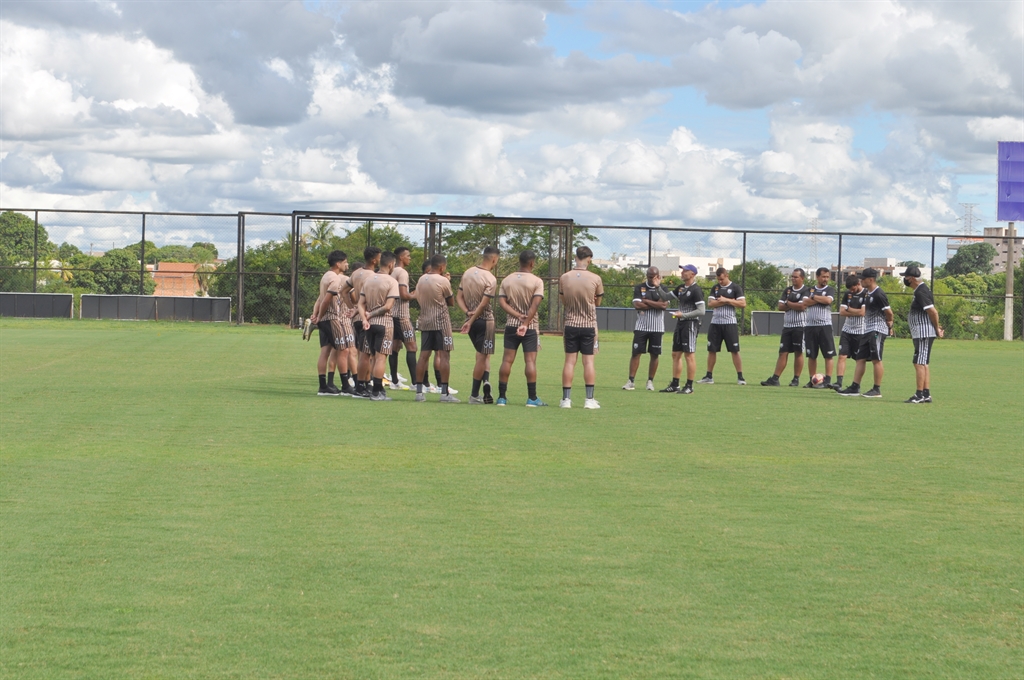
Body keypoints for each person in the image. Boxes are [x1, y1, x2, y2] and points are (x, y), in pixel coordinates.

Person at [497, 250, 546, 406]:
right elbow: (535, 305)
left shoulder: (507, 280)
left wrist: (517, 315)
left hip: (511, 325)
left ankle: (502, 398)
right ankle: (532, 398)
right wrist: (525, 323)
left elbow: (502, 303)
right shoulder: (537, 281)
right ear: (532, 263)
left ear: (519, 261)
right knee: (530, 362)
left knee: (507, 360)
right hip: (530, 327)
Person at [558, 246, 604, 409]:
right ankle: (589, 400)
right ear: (589, 259)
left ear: (576, 257)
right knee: (588, 362)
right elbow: (597, 302)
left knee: (569, 362)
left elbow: (564, 301)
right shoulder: (595, 278)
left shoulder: (565, 277)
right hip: (588, 326)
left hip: (570, 324)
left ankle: (566, 400)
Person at [838, 267, 892, 398]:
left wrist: (890, 323)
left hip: (877, 330)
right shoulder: (868, 293)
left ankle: (876, 389)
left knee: (876, 359)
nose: (861, 281)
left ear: (871, 279)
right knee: (860, 359)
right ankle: (855, 387)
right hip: (867, 330)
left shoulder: (879, 294)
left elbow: (889, 312)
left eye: (863, 279)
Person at [413, 254, 459, 403]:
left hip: (425, 321)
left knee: (423, 356)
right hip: (441, 322)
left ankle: (419, 392)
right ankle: (444, 393)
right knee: (444, 355)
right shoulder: (443, 280)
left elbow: (418, 297)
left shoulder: (422, 279)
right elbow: (451, 301)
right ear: (442, 267)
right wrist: (448, 282)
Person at [457, 246, 499, 404]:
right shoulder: (491, 279)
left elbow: (459, 296)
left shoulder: (467, 272)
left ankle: (486, 381)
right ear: (494, 259)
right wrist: (472, 318)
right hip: (485, 321)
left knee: (482, 353)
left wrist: (467, 313)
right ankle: (474, 395)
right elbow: (483, 305)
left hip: (471, 321)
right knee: (483, 356)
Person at [356, 252, 400, 401]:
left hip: (369, 325)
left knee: (373, 357)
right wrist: (372, 314)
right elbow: (388, 306)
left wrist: (365, 318)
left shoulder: (368, 280)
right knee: (381, 359)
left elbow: (360, 303)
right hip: (384, 324)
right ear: (391, 264)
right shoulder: (391, 281)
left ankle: (378, 389)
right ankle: (376, 392)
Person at [310, 250, 352, 396]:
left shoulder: (326, 276)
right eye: (345, 261)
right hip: (331, 318)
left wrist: (316, 315)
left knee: (326, 351)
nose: (347, 264)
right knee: (344, 350)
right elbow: (326, 299)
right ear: (338, 263)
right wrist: (320, 316)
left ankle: (324, 386)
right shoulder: (334, 278)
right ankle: (346, 385)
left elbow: (319, 299)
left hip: (325, 319)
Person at [902, 265, 944, 403]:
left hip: (923, 332)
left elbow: (933, 311)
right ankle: (926, 394)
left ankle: (919, 394)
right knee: (922, 362)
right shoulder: (920, 290)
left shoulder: (921, 291)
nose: (905, 279)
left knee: (919, 363)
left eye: (906, 277)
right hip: (921, 332)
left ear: (912, 278)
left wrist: (936, 328)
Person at [623, 266, 670, 391]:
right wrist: (656, 303)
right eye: (649, 277)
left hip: (657, 327)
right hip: (641, 326)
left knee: (654, 355)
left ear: (658, 276)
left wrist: (647, 301)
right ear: (647, 276)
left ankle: (650, 381)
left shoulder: (663, 289)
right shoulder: (640, 287)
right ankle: (631, 381)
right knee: (636, 353)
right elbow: (638, 305)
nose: (651, 279)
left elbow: (664, 305)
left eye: (654, 277)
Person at [762, 268, 810, 387]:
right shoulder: (787, 290)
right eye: (792, 277)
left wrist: (788, 303)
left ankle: (796, 379)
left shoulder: (806, 291)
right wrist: (793, 304)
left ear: (802, 278)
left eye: (796, 277)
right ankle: (775, 378)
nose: (793, 279)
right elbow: (780, 306)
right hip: (787, 326)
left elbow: (802, 306)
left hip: (800, 326)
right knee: (783, 352)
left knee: (798, 352)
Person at [698, 267, 746, 385]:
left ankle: (740, 377)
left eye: (722, 279)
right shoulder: (715, 288)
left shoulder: (735, 288)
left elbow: (742, 303)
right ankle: (709, 376)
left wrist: (725, 299)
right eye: (718, 279)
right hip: (715, 323)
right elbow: (710, 303)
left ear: (727, 275)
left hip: (730, 324)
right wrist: (728, 301)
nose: (720, 281)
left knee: (734, 350)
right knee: (712, 350)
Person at [662, 263, 705, 394]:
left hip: (690, 324)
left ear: (692, 274)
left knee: (689, 355)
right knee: (676, 354)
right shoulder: (681, 288)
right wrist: (657, 285)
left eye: (685, 271)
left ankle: (689, 386)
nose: (682, 272)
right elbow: (665, 297)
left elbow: (701, 311)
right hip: (680, 323)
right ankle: (675, 384)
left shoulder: (696, 290)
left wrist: (683, 315)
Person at [345, 247, 381, 398]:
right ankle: (360, 387)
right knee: (365, 354)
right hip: (366, 318)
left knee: (364, 352)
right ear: (374, 260)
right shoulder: (372, 275)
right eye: (379, 258)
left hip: (357, 318)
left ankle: (366, 384)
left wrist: (352, 308)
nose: (380, 260)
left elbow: (343, 291)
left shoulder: (356, 273)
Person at [387, 246, 417, 391]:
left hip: (391, 314)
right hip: (402, 316)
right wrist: (415, 295)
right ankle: (415, 383)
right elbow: (404, 295)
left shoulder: (391, 271)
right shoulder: (402, 272)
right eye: (408, 255)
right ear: (401, 258)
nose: (409, 258)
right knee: (411, 347)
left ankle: (394, 380)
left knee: (395, 347)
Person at [803, 266, 838, 388]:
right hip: (810, 326)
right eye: (823, 276)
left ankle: (827, 380)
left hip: (825, 326)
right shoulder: (809, 289)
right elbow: (805, 303)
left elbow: (828, 301)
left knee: (828, 355)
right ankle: (812, 380)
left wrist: (813, 298)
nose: (825, 279)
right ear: (817, 277)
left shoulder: (830, 289)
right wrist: (819, 299)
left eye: (827, 277)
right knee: (811, 355)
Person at [833, 273, 866, 391]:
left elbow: (863, 313)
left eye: (853, 289)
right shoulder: (847, 294)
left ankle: (856, 384)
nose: (851, 291)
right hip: (847, 330)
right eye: (850, 290)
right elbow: (842, 312)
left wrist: (849, 309)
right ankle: (839, 382)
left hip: (860, 331)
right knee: (842, 355)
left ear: (858, 284)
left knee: (859, 359)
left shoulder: (866, 294)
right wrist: (854, 311)